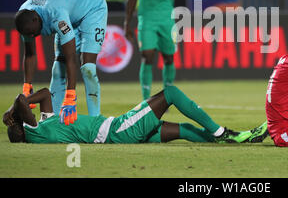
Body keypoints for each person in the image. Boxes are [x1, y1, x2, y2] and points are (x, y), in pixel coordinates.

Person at [3, 86, 268, 144]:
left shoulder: (45, 123)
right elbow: (20, 100)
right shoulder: (36, 132)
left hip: (117, 131)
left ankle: (233, 139)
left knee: (183, 131)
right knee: (171, 93)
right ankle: (221, 131)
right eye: (18, 123)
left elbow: (47, 93)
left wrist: (18, 114)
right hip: (117, 129)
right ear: (23, 126)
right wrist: (11, 112)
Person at [14, 0, 107, 125]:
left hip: (92, 8)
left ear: (36, 19)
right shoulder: (24, 19)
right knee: (58, 70)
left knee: (88, 67)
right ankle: (52, 122)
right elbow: (30, 54)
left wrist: (71, 96)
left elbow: (71, 59)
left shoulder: (56, 15)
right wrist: (27, 87)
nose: (32, 36)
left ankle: (96, 121)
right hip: (71, 11)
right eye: (28, 35)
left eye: (33, 33)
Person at [124, 0, 184, 100]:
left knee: (168, 58)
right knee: (147, 55)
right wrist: (126, 22)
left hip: (166, 18)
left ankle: (168, 95)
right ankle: (146, 100)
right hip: (147, 18)